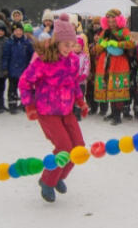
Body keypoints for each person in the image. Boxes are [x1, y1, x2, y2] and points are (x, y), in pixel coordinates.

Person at [18, 14, 87, 203]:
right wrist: (29, 105)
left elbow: (74, 84)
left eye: (72, 45)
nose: (69, 49)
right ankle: (47, 181)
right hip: (47, 112)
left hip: (67, 110)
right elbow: (24, 82)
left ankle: (59, 177)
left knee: (78, 148)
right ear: (57, 41)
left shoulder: (72, 61)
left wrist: (81, 102)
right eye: (66, 45)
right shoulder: (43, 60)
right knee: (64, 147)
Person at [92, 9, 134, 125]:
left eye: (113, 21)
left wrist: (117, 44)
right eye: (109, 22)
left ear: (118, 21)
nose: (111, 24)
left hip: (119, 63)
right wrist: (102, 44)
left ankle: (117, 115)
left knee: (117, 88)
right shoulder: (104, 32)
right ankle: (112, 112)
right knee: (108, 87)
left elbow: (131, 43)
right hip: (106, 62)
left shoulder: (124, 31)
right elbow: (97, 48)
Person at [2, 23, 34, 115]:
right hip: (12, 70)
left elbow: (31, 56)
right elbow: (6, 56)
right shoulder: (9, 42)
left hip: (24, 70)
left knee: (24, 89)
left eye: (20, 30)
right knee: (12, 88)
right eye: (16, 31)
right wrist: (5, 68)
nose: (18, 32)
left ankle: (25, 105)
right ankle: (12, 105)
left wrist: (31, 68)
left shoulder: (27, 42)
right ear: (13, 32)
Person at [73, 35, 90, 120]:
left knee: (79, 97)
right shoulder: (70, 56)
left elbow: (86, 68)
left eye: (78, 46)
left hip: (81, 82)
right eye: (75, 46)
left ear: (82, 47)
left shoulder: (85, 56)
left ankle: (78, 113)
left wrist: (83, 76)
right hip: (71, 82)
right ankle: (71, 113)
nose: (76, 48)